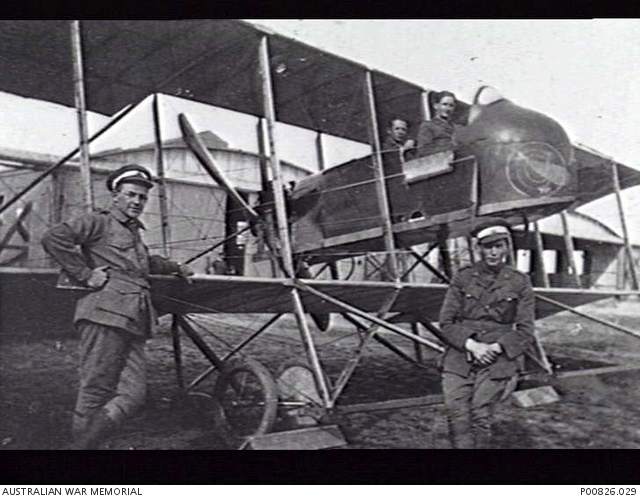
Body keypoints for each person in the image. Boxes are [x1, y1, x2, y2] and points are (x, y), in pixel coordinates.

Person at [42, 164, 192, 450]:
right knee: (95, 389)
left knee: (134, 395)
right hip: (103, 315)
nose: (136, 201)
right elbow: (53, 238)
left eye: (142, 197)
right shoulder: (98, 222)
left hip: (134, 318)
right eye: (131, 194)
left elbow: (146, 264)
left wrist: (177, 266)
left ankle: (81, 448)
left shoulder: (134, 233)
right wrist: (86, 275)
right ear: (115, 196)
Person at [437, 219, 535, 448]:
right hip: (461, 354)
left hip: (498, 357)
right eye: (487, 246)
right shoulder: (463, 277)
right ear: (478, 248)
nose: (493, 252)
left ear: (506, 248)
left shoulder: (520, 281)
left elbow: (525, 330)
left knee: (480, 415)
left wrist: (495, 348)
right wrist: (473, 346)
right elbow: (446, 322)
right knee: (456, 413)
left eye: (498, 246)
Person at [416, 91, 457, 157]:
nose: (447, 108)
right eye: (444, 104)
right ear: (436, 106)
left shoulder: (456, 128)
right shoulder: (428, 126)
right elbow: (423, 151)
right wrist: (449, 146)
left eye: (451, 105)